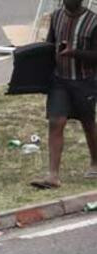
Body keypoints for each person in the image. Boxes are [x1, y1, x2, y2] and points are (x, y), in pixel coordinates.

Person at [32, 0, 97, 189]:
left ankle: (95, 161)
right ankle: (53, 175)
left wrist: (74, 53)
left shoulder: (93, 22)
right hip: (59, 80)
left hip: (84, 82)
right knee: (56, 121)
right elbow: (49, 45)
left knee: (88, 123)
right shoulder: (57, 16)